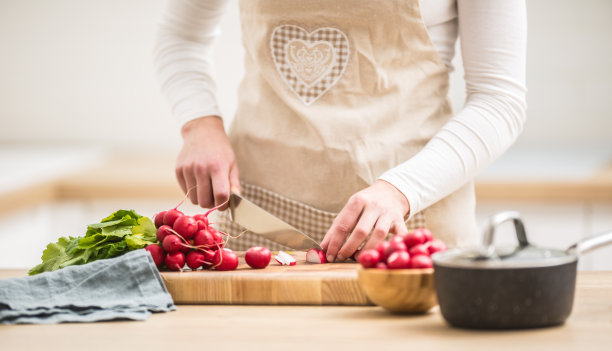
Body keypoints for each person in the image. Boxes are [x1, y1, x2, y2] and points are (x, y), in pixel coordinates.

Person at [154, 0, 527, 262]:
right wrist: (199, 122)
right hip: (262, 213)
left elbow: (499, 99)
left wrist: (402, 189)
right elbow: (181, 36)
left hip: (415, 213)